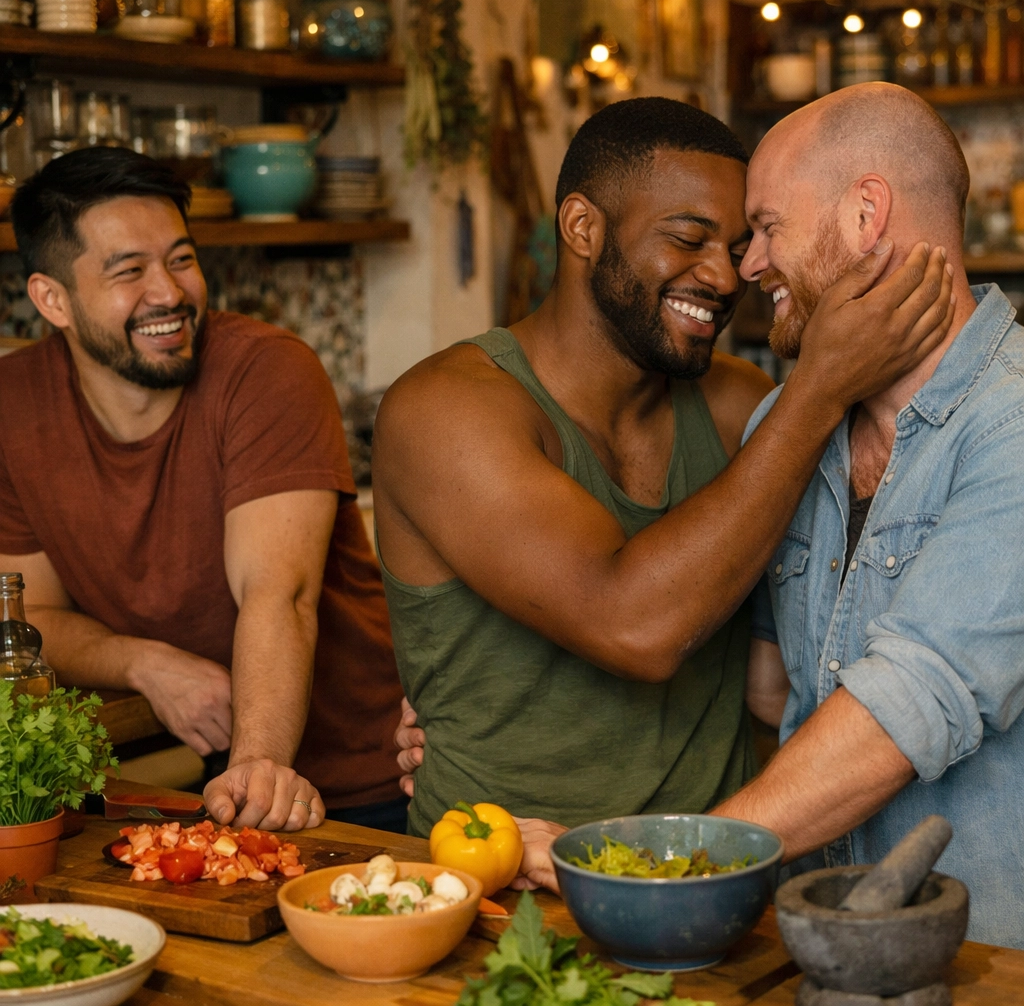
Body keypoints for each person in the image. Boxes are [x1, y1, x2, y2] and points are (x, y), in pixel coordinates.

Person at [466, 84, 1024, 949]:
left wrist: (663, 863)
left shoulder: (1012, 424)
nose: (747, 268)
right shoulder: (786, 425)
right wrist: (471, 695)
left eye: (765, 228)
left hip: (985, 964)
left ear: (867, 213)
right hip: (811, 952)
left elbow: (906, 709)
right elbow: (764, 689)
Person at [376, 96, 953, 841]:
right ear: (583, 228)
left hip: (714, 885)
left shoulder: (741, 408)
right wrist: (818, 388)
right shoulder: (447, 411)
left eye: (743, 241)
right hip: (498, 879)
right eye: (689, 239)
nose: (726, 274)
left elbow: (816, 648)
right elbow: (636, 627)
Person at [0, 148, 407, 833]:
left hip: (362, 781)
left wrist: (257, 767)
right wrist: (146, 665)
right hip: (210, 779)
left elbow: (279, 592)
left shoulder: (267, 372)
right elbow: (30, 613)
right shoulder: (13, 405)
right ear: (52, 300)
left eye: (181, 260)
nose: (169, 293)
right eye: (129, 271)